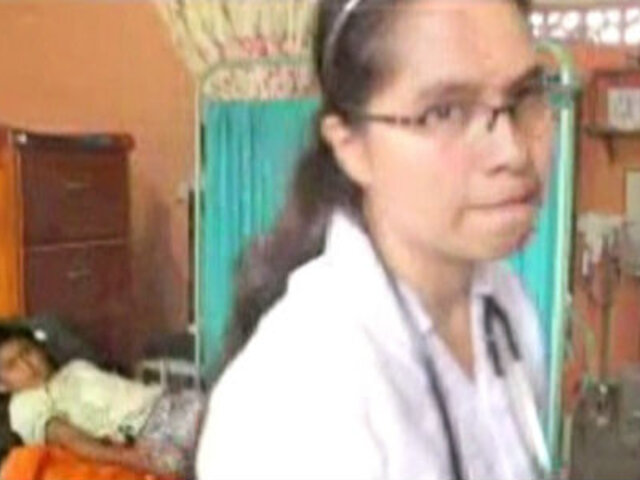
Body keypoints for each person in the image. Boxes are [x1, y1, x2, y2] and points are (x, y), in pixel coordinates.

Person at [197, 0, 555, 478]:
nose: (512, 151)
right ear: (351, 146)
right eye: (445, 111)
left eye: (526, 95)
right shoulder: (294, 401)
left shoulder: (504, 307)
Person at [0, 325, 203, 479]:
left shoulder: (74, 369)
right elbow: (70, 439)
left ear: (41, 349)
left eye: (27, 352)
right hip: (149, 430)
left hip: (171, 402)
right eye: (11, 365)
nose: (27, 366)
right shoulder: (26, 404)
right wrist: (128, 457)